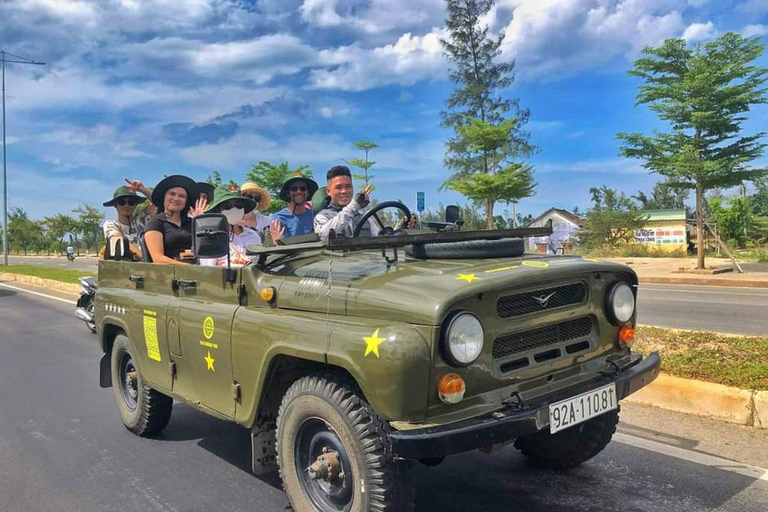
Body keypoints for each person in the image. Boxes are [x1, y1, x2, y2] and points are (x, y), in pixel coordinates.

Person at [199, 187, 281, 267]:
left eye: (239, 205)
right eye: (227, 207)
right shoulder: (211, 239)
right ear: (218, 211)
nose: (234, 209)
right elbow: (208, 272)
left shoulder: (253, 236)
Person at [143, 175, 207, 264]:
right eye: (172, 194)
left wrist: (201, 222)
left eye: (182, 196)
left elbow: (207, 249)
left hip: (199, 270)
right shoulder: (155, 223)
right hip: (170, 274)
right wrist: (189, 268)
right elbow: (158, 259)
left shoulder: (191, 223)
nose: (176, 199)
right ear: (164, 197)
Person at [314, 166, 379, 240]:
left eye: (348, 186)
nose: (344, 191)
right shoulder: (322, 217)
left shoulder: (364, 218)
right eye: (338, 187)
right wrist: (353, 207)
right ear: (328, 191)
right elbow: (323, 235)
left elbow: (380, 238)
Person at [102, 183, 155, 259]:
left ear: (136, 204)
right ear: (115, 205)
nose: (126, 205)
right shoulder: (111, 225)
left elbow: (157, 202)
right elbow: (120, 241)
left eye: (131, 202)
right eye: (122, 202)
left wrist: (143, 190)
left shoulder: (142, 219)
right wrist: (147, 259)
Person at [271, 173, 318, 238]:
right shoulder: (277, 219)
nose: (298, 191)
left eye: (303, 188)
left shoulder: (315, 216)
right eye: (294, 189)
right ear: (288, 193)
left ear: (308, 193)